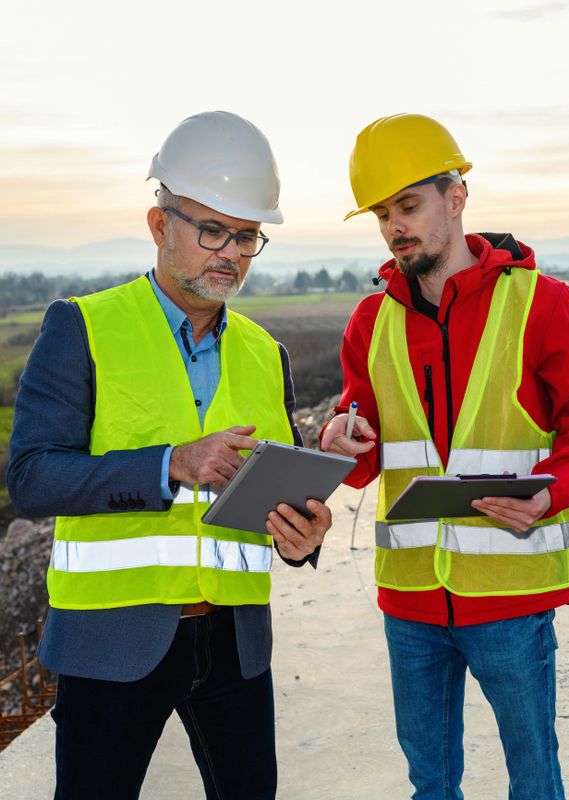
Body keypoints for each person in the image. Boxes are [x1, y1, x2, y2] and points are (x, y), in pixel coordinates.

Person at [6, 111, 333, 800]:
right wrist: (170, 465)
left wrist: (304, 536)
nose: (231, 254)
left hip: (237, 649)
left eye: (247, 236)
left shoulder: (263, 353)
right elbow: (33, 478)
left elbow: (284, 497)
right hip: (111, 646)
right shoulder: (83, 326)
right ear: (160, 226)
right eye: (212, 230)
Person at [321, 113, 569, 799]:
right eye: (383, 214)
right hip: (411, 605)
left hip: (512, 599)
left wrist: (553, 491)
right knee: (431, 786)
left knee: (535, 781)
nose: (397, 226)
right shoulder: (372, 322)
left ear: (455, 197)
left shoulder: (542, 305)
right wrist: (342, 436)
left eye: (410, 205)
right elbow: (362, 449)